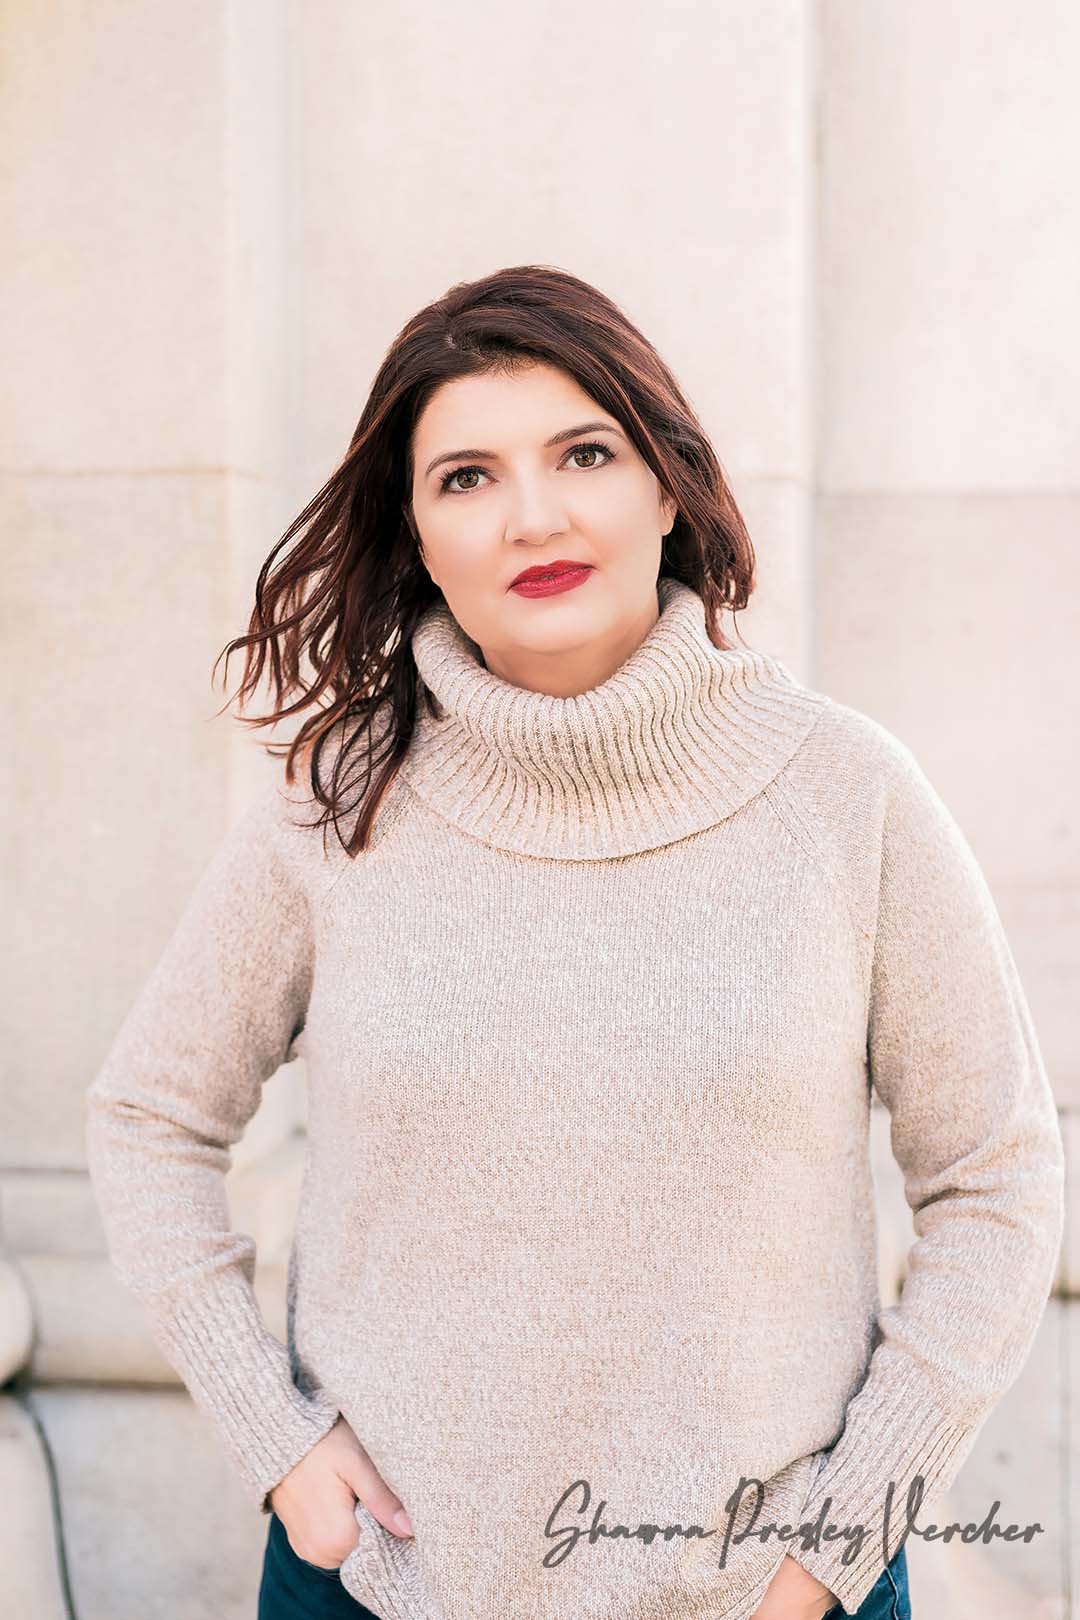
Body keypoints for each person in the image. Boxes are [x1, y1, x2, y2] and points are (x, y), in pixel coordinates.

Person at [85, 265, 1064, 1620]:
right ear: (415, 534)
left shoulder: (847, 797)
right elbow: (147, 1117)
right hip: (380, 1589)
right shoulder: (333, 808)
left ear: (667, 484)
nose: (532, 516)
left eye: (585, 453)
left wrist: (834, 1548)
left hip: (775, 1604)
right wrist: (280, 1441)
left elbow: (999, 1181)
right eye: (467, 477)